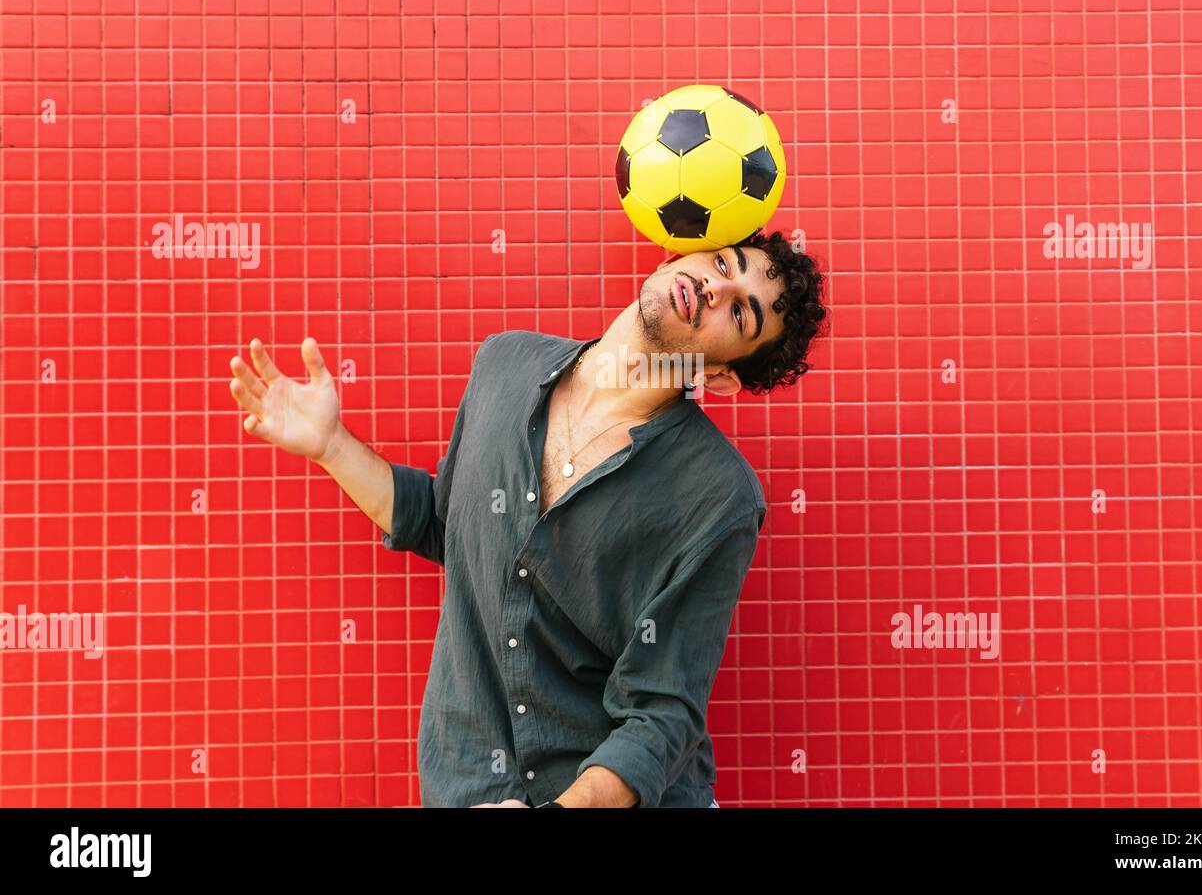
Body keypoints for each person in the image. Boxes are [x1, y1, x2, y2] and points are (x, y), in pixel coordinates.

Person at [227, 230, 828, 807]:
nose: (716, 290)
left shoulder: (720, 497)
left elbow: (662, 713)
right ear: (676, 258)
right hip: (468, 787)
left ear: (721, 377)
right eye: (723, 264)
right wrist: (331, 445)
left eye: (741, 314)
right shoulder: (503, 363)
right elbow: (450, 527)